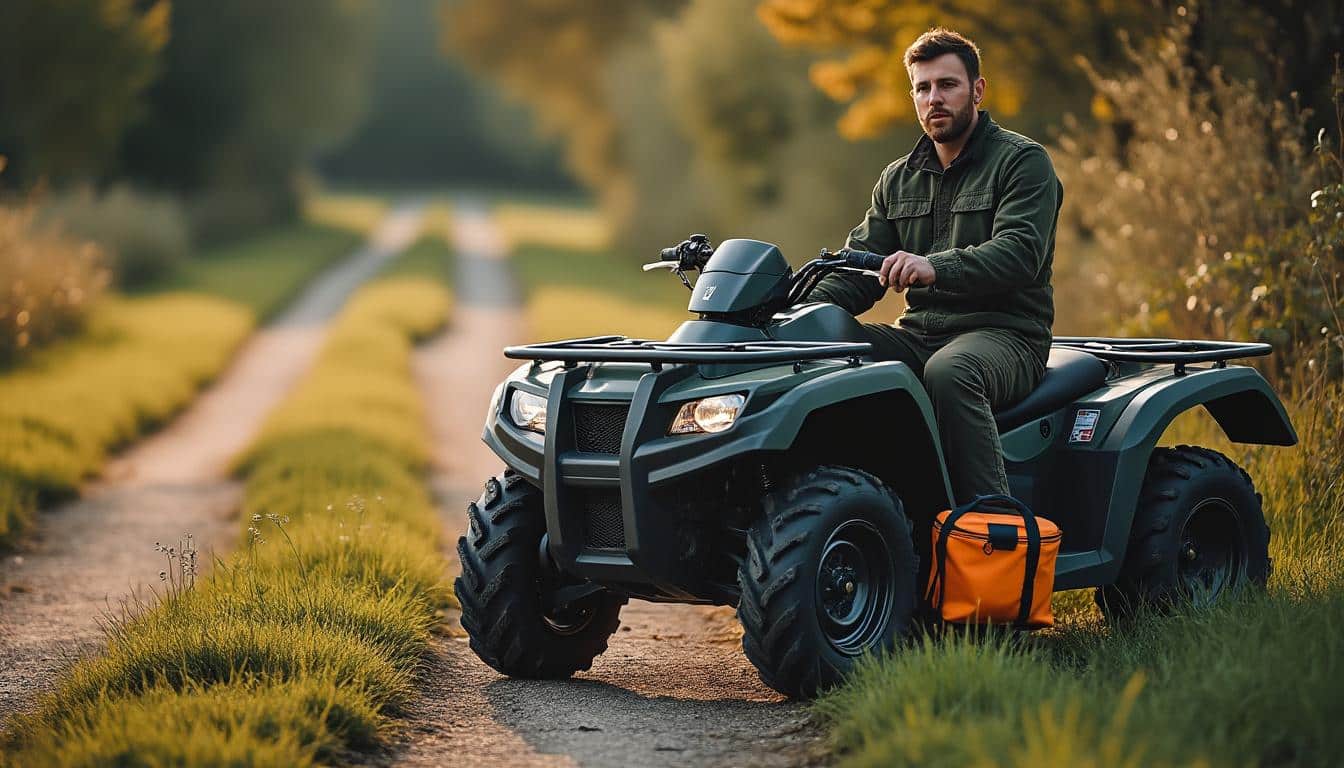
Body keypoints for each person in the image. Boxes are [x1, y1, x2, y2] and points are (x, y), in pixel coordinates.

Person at [808, 28, 1062, 506]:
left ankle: (991, 529)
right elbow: (857, 270)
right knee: (825, 341)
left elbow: (1020, 253)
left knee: (951, 371)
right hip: (920, 335)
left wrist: (933, 267)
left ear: (977, 90)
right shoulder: (898, 178)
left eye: (947, 85)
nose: (934, 99)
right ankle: (853, 505)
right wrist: (792, 311)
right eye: (923, 88)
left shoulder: (1023, 162)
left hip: (1007, 336)